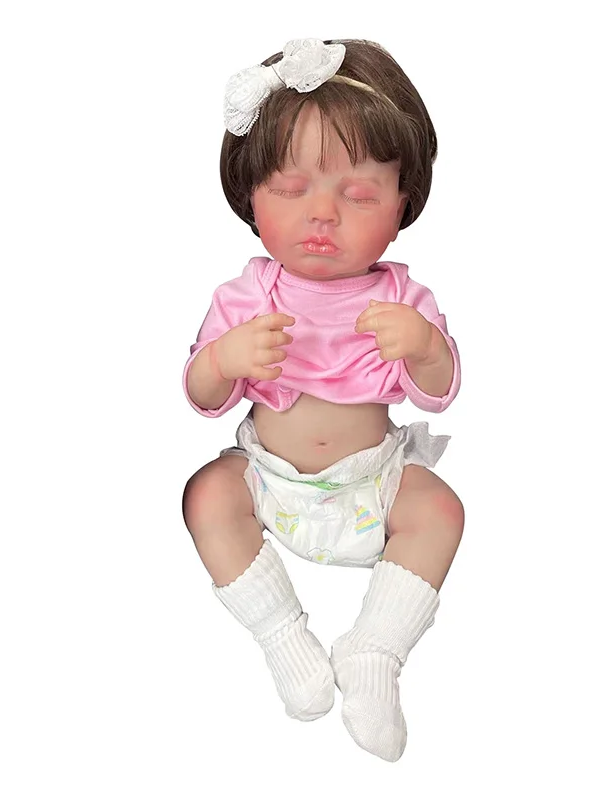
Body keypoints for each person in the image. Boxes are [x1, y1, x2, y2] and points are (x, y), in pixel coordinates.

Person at [182, 38, 465, 762]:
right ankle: (283, 634)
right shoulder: (250, 294)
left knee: (440, 509)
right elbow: (200, 393)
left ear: (403, 202)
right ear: (250, 193)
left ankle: (375, 650)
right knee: (207, 494)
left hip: (374, 485)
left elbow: (440, 392)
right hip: (269, 483)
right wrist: (224, 359)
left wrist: (425, 347)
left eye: (359, 195)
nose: (322, 215)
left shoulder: (401, 295)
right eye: (290, 187)